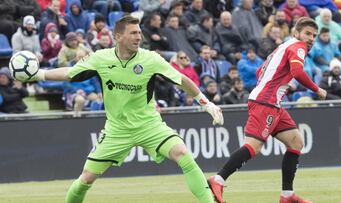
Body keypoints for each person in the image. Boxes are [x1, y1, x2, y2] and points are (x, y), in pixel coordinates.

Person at [20, 15, 224, 203]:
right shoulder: (101, 58)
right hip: (116, 130)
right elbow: (70, 73)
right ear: (118, 36)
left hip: (148, 125)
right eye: (133, 33)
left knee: (182, 152)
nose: (138, 37)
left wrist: (206, 103)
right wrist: (39, 75)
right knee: (86, 179)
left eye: (139, 33)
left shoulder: (150, 59)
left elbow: (182, 80)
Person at [207, 17, 327, 203]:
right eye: (307, 34)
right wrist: (316, 89)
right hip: (266, 102)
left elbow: (260, 71)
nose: (311, 38)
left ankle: (287, 195)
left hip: (272, 102)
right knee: (254, 146)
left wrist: (278, 84)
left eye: (314, 35)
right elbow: (297, 72)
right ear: (296, 33)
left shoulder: (283, 47)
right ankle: (218, 179)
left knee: (296, 142)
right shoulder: (298, 47)